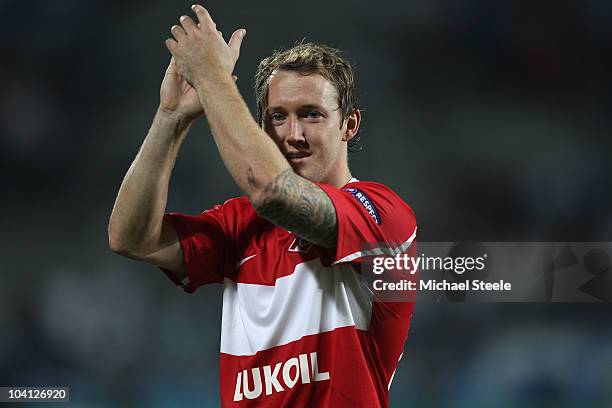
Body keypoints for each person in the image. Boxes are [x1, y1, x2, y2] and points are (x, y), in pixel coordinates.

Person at [108, 4, 417, 407]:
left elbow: (274, 192)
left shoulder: (382, 214)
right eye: (277, 117)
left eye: (311, 115)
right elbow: (131, 238)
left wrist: (211, 77)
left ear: (349, 125)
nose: (293, 134)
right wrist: (171, 118)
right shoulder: (241, 224)